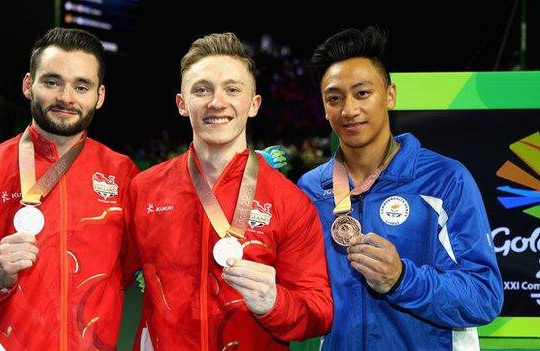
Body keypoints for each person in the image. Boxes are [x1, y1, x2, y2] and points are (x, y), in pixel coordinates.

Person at [0, 27, 139, 350]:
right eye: (52, 82)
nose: (66, 97)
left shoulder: (122, 173)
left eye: (81, 86)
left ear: (99, 96)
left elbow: (128, 271)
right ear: (28, 86)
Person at [122, 32, 333, 350]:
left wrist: (274, 302)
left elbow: (319, 312)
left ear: (253, 104)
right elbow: (105, 278)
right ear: (182, 104)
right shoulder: (144, 189)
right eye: (201, 90)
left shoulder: (290, 202)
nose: (216, 102)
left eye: (232, 89)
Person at [297, 26, 503, 350]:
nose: (349, 110)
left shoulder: (446, 180)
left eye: (362, 93)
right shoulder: (310, 190)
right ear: (324, 108)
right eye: (334, 98)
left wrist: (402, 279)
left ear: (390, 95)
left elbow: (484, 296)